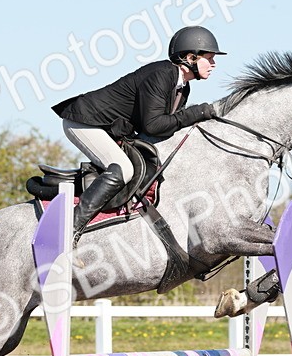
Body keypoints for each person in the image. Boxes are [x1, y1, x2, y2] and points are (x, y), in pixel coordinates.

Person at [51, 25, 225, 243]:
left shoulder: (183, 87)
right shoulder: (162, 74)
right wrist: (196, 113)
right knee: (122, 168)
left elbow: (162, 129)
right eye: (209, 58)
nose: (214, 64)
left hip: (109, 129)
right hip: (84, 122)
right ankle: (68, 230)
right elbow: (153, 125)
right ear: (190, 57)